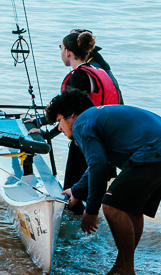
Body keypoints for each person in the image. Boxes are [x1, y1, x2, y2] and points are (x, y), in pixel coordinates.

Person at [49, 88, 161, 275]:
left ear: (71, 115)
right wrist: (76, 191)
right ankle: (122, 267)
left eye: (59, 121)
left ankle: (128, 273)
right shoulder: (96, 118)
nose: (59, 128)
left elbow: (98, 166)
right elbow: (99, 164)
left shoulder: (81, 124)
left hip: (155, 152)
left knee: (111, 206)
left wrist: (91, 209)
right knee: (132, 210)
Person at [47, 30, 123, 197]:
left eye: (61, 48)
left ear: (68, 52)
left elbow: (70, 112)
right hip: (108, 141)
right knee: (95, 193)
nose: (61, 52)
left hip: (86, 141)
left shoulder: (78, 76)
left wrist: (46, 132)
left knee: (71, 194)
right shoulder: (100, 71)